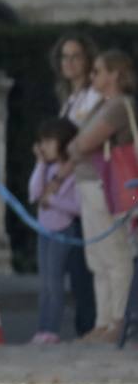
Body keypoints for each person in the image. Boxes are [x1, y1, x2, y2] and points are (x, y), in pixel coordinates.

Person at [63, 49, 137, 344]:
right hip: (92, 185)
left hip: (107, 185)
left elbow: (84, 142)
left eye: (98, 71)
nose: (92, 76)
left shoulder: (119, 106)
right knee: (98, 256)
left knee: (115, 253)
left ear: (114, 75)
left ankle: (118, 320)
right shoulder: (103, 105)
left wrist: (77, 145)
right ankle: (103, 321)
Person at [51, 33, 101, 337]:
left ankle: (94, 323)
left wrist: (59, 175)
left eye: (75, 57)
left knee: (92, 260)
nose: (69, 63)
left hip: (85, 181)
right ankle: (86, 323)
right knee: (77, 262)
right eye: (64, 57)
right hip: (71, 188)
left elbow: (82, 143)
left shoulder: (93, 98)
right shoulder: (69, 99)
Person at [28, 118, 83, 344]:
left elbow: (77, 206)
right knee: (45, 282)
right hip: (45, 230)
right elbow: (34, 193)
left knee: (55, 281)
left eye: (49, 141)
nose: (44, 146)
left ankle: (51, 329)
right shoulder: (48, 168)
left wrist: (54, 202)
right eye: (42, 141)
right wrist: (40, 164)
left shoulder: (73, 173)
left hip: (63, 230)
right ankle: (42, 328)